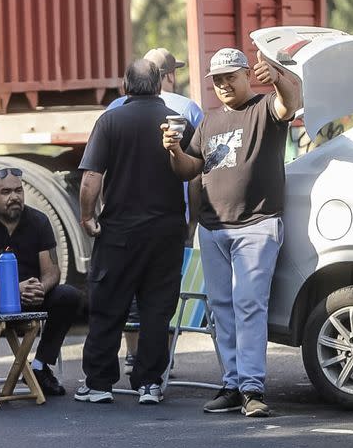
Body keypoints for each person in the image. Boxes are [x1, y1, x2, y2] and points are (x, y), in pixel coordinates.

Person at [161, 47, 302, 417]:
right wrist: (174, 150)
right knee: (221, 309)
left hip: (256, 224)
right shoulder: (208, 121)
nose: (223, 85)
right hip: (213, 228)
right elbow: (189, 169)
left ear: (245, 76)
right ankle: (232, 383)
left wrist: (279, 78)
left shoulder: (265, 108)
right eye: (217, 80)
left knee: (249, 306)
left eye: (230, 77)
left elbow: (291, 102)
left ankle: (252, 388)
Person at [76, 59, 194, 405]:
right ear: (160, 85)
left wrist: (87, 216)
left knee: (108, 305)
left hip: (120, 232)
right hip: (167, 231)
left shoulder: (111, 120)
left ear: (124, 86)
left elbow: (91, 179)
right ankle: (149, 384)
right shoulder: (177, 123)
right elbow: (194, 174)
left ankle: (98, 384)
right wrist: (191, 223)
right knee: (157, 310)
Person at [107, 47, 203, 376]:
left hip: (123, 220)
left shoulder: (114, 109)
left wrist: (93, 216)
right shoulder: (186, 109)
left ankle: (133, 355)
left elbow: (99, 171)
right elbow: (198, 166)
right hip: (169, 219)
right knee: (160, 294)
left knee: (127, 289)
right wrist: (193, 223)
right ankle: (158, 363)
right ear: (168, 76)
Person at [0, 167, 84, 396]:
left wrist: (41, 287)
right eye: (6, 192)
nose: (14, 197)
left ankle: (39, 368)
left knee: (69, 296)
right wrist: (11, 288)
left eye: (18, 190)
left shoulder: (38, 220)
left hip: (31, 296)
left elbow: (52, 271)